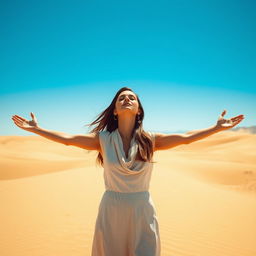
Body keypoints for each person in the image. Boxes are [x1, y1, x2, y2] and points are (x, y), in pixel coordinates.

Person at [11, 87, 245, 256]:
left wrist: (215, 128)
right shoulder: (103, 139)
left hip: (142, 208)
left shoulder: (150, 140)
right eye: (121, 98)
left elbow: (185, 139)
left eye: (132, 98)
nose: (126, 100)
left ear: (138, 110)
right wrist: (37, 129)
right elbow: (69, 140)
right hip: (111, 208)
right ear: (114, 110)